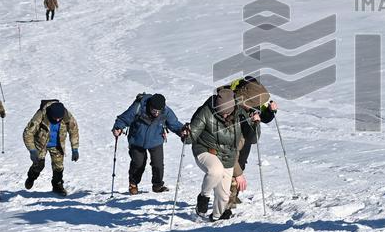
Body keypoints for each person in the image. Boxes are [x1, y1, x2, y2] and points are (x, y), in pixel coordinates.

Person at [186, 88, 249, 221]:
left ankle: (215, 217)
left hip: (227, 156)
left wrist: (254, 124)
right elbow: (190, 137)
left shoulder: (239, 114)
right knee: (215, 171)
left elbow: (251, 139)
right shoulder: (206, 111)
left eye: (227, 112)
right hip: (205, 150)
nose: (224, 115)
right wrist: (186, 134)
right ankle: (203, 198)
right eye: (221, 112)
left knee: (224, 197)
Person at [112, 93, 188, 194]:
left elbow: (174, 124)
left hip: (156, 139)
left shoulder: (166, 111)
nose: (156, 113)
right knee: (139, 163)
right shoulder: (138, 107)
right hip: (137, 140)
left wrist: (182, 131)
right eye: (154, 110)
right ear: (149, 106)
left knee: (158, 164)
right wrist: (118, 127)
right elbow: (124, 118)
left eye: (158, 111)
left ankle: (157, 185)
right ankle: (133, 183)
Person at [222, 77, 278, 208]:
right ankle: (227, 199)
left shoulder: (256, 95)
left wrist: (270, 111)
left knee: (241, 163)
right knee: (231, 163)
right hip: (232, 135)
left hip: (247, 135)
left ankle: (233, 195)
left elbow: (264, 117)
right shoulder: (236, 96)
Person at [23, 100, 80, 196]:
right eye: (55, 118)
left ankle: (57, 185)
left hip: (57, 144)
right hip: (41, 144)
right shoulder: (41, 115)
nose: (57, 120)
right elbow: (28, 133)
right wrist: (32, 150)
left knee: (58, 167)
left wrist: (75, 149)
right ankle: (31, 177)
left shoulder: (66, 116)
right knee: (39, 165)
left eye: (59, 118)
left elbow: (73, 131)